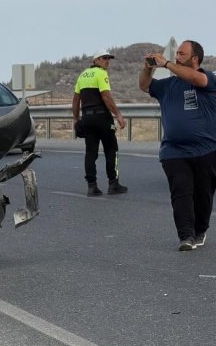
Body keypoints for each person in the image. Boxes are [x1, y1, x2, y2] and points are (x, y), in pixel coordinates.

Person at [140, 40, 216, 251]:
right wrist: (147, 69)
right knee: (181, 192)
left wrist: (166, 64)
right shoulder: (167, 85)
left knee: (203, 196)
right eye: (177, 54)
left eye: (182, 54)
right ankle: (186, 236)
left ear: (195, 58)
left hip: (207, 150)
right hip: (174, 151)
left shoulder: (207, 78)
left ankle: (200, 230)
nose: (177, 56)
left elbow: (197, 79)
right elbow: (144, 85)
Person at [72, 50, 128, 196]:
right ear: (96, 60)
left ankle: (92, 186)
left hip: (87, 119)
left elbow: (76, 99)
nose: (107, 61)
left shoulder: (82, 75)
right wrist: (118, 115)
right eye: (104, 58)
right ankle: (113, 184)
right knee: (111, 150)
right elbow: (106, 96)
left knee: (90, 152)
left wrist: (76, 119)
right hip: (102, 118)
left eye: (109, 58)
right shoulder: (101, 73)